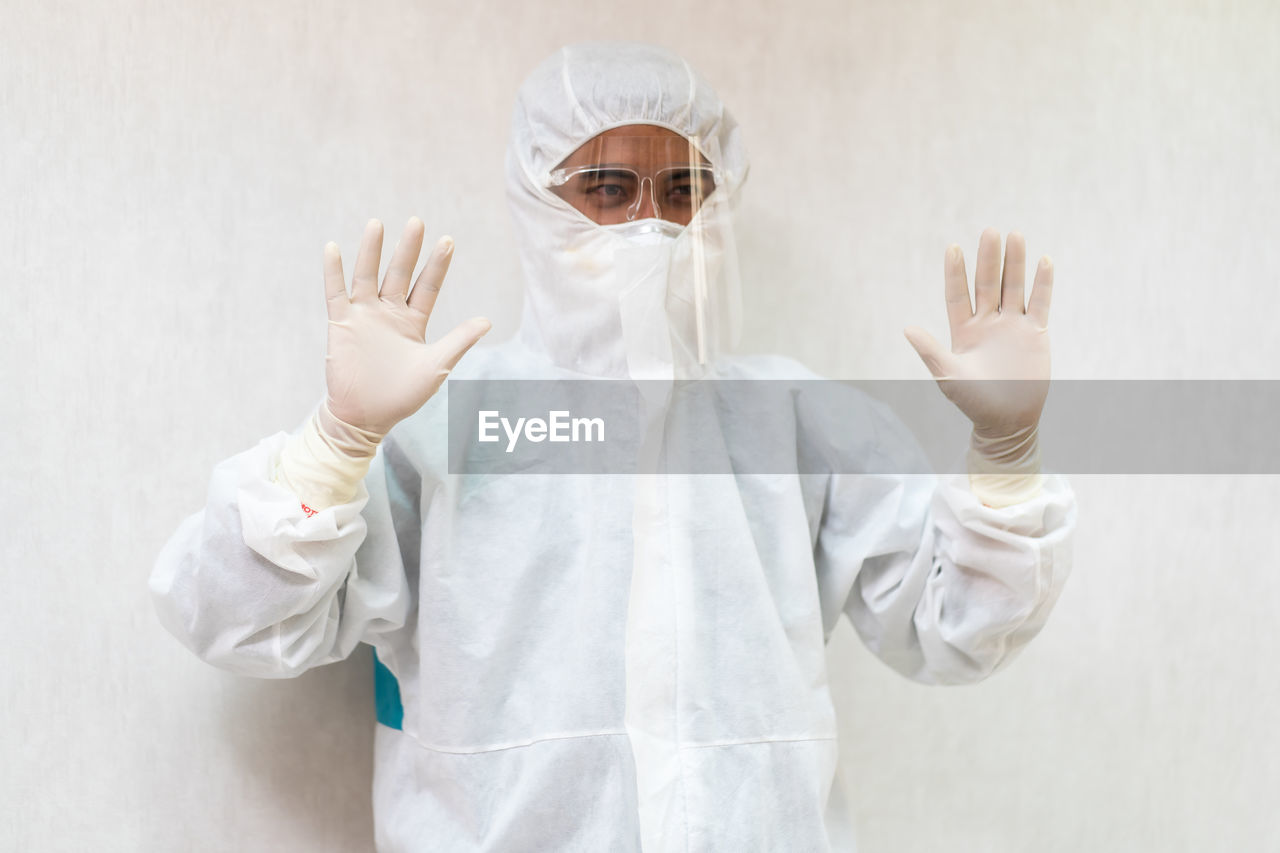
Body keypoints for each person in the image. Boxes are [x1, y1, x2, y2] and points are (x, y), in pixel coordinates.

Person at [151, 41, 1075, 852]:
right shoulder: (445, 423)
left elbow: (958, 627)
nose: (652, 223)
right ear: (535, 197)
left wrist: (1005, 447)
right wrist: (337, 440)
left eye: (684, 187)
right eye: (605, 187)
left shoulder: (794, 419)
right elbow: (235, 620)